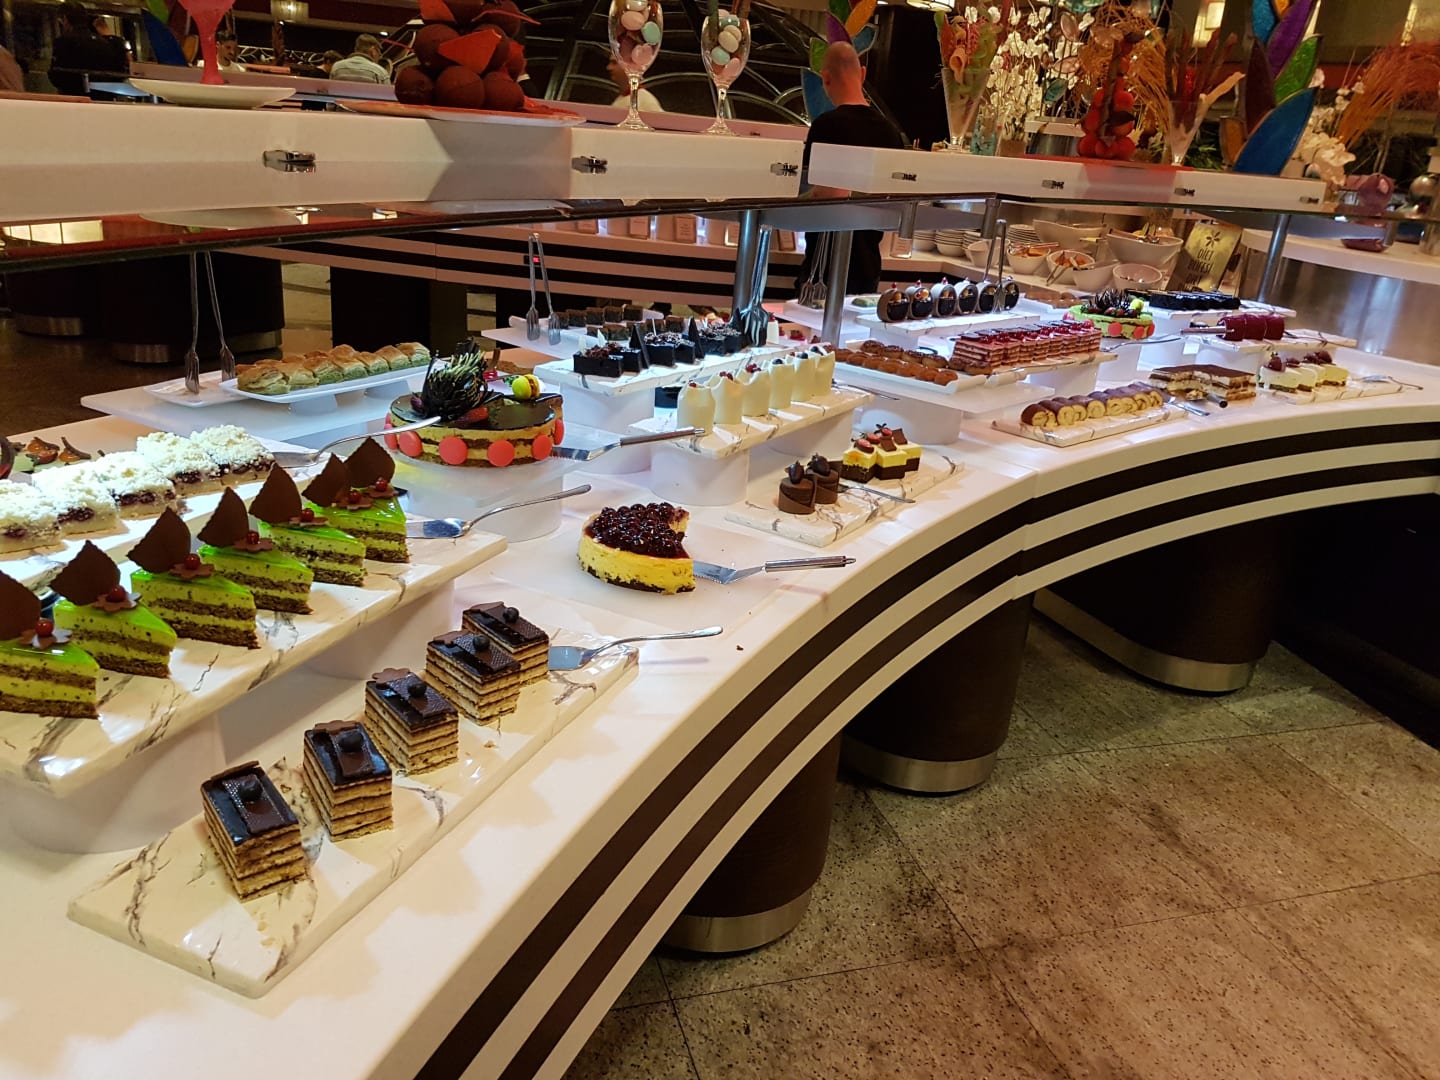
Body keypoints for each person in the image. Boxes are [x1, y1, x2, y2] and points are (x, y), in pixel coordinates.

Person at [795, 42, 904, 296]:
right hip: (869, 268)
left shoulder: (825, 126)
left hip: (823, 267)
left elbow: (819, 194)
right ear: (863, 74)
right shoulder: (891, 133)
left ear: (825, 78)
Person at [49, 3, 128, 95]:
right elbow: (117, 74)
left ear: (65, 19)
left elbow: (58, 76)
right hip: (103, 97)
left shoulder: (63, 42)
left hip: (74, 96)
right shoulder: (103, 42)